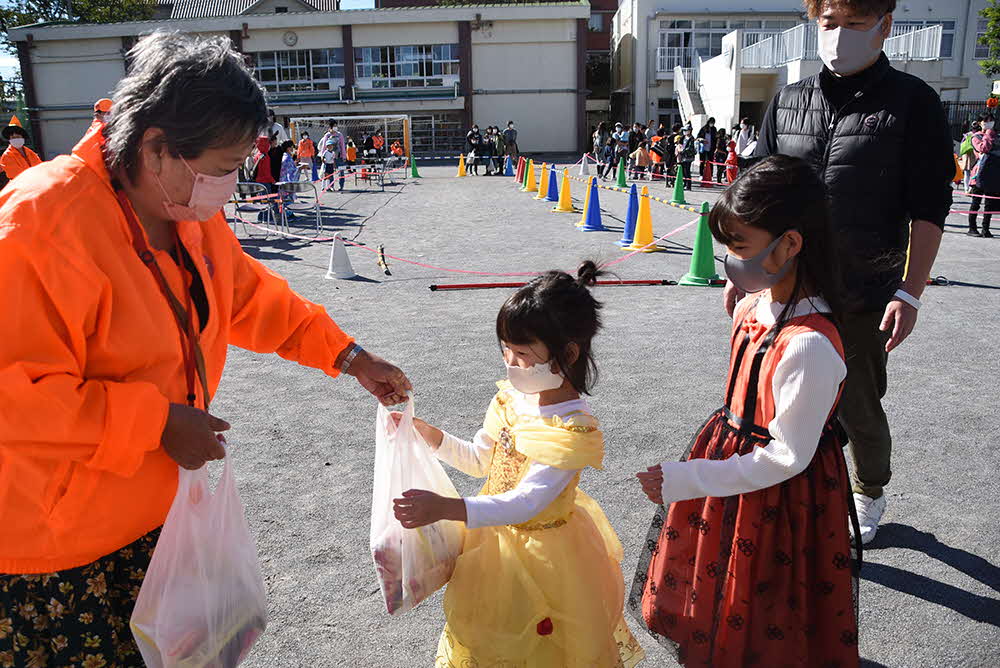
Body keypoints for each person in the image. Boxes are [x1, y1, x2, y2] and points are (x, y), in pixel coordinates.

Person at [0, 31, 411, 666]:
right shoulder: (40, 223)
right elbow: (14, 398)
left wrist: (348, 356)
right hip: (62, 548)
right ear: (157, 146)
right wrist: (158, 421)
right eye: (221, 170)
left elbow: (248, 296)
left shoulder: (182, 204)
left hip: (155, 515)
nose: (228, 187)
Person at [633, 155, 858, 668]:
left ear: (791, 244)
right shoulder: (756, 302)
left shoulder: (810, 347)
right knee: (720, 588)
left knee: (765, 601)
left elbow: (786, 459)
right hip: (731, 470)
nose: (730, 261)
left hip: (779, 497)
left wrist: (689, 478)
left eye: (739, 247)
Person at [747, 0, 954, 544]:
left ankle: (869, 491)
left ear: (884, 25)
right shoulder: (789, 101)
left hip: (864, 291)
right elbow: (759, 196)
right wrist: (742, 273)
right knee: (781, 394)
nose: (840, 35)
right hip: (788, 288)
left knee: (858, 403)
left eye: (856, 23)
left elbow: (930, 206)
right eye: (829, 22)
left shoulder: (915, 103)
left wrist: (910, 293)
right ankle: (795, 487)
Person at [392, 262, 645, 668]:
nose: (510, 361)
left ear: (568, 354)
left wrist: (447, 508)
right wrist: (431, 436)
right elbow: (480, 462)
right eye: (505, 349)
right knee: (496, 639)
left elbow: (527, 502)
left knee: (546, 646)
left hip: (549, 555)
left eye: (522, 353)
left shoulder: (572, 426)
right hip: (492, 548)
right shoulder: (511, 398)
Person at [967, 113, 998, 238]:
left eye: (991, 120)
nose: (989, 123)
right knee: (976, 202)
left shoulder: (996, 136)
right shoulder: (976, 137)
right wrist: (988, 134)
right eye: (986, 121)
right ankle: (972, 227)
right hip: (979, 174)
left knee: (989, 204)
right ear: (980, 123)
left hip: (992, 174)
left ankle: (986, 228)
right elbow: (983, 148)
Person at [0, 118, 42, 186]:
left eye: (17, 137)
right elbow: (18, 175)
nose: (15, 139)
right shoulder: (7, 156)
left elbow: (40, 168)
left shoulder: (30, 153)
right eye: (13, 138)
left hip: (35, 185)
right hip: (19, 187)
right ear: (9, 139)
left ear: (23, 137)